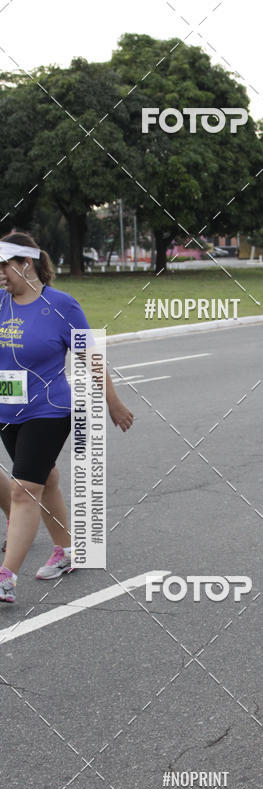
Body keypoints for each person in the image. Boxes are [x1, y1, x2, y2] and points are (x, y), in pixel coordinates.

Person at [0, 233, 134, 604]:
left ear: (25, 263)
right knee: (47, 480)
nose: (0, 274)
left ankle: (6, 577)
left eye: (4, 265)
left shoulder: (61, 306)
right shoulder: (0, 302)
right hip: (7, 411)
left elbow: (90, 358)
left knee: (25, 489)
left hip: (49, 410)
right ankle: (67, 550)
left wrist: (114, 403)